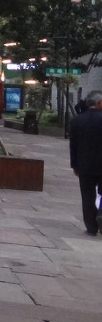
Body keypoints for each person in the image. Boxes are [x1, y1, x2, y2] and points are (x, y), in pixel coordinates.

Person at [69, 90, 102, 236]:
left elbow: (73, 145)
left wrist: (74, 165)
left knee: (87, 196)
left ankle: (91, 227)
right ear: (99, 103)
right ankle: (101, 215)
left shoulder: (77, 120)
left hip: (84, 165)